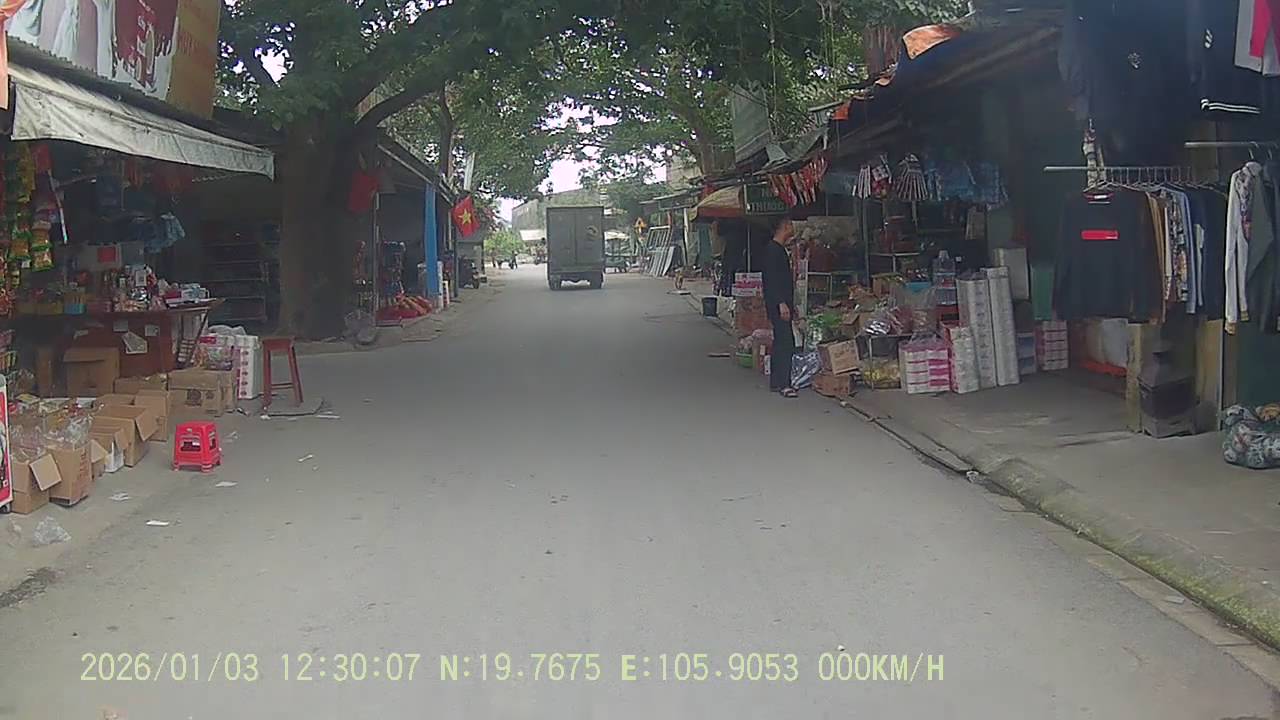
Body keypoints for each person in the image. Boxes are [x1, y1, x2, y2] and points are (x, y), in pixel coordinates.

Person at [763, 220, 797, 398]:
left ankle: (777, 382)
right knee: (786, 342)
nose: (793, 228)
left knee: (780, 341)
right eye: (790, 225)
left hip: (781, 302)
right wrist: (781, 303)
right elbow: (771, 280)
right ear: (784, 227)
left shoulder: (778, 249)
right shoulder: (773, 251)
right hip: (779, 304)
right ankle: (784, 384)